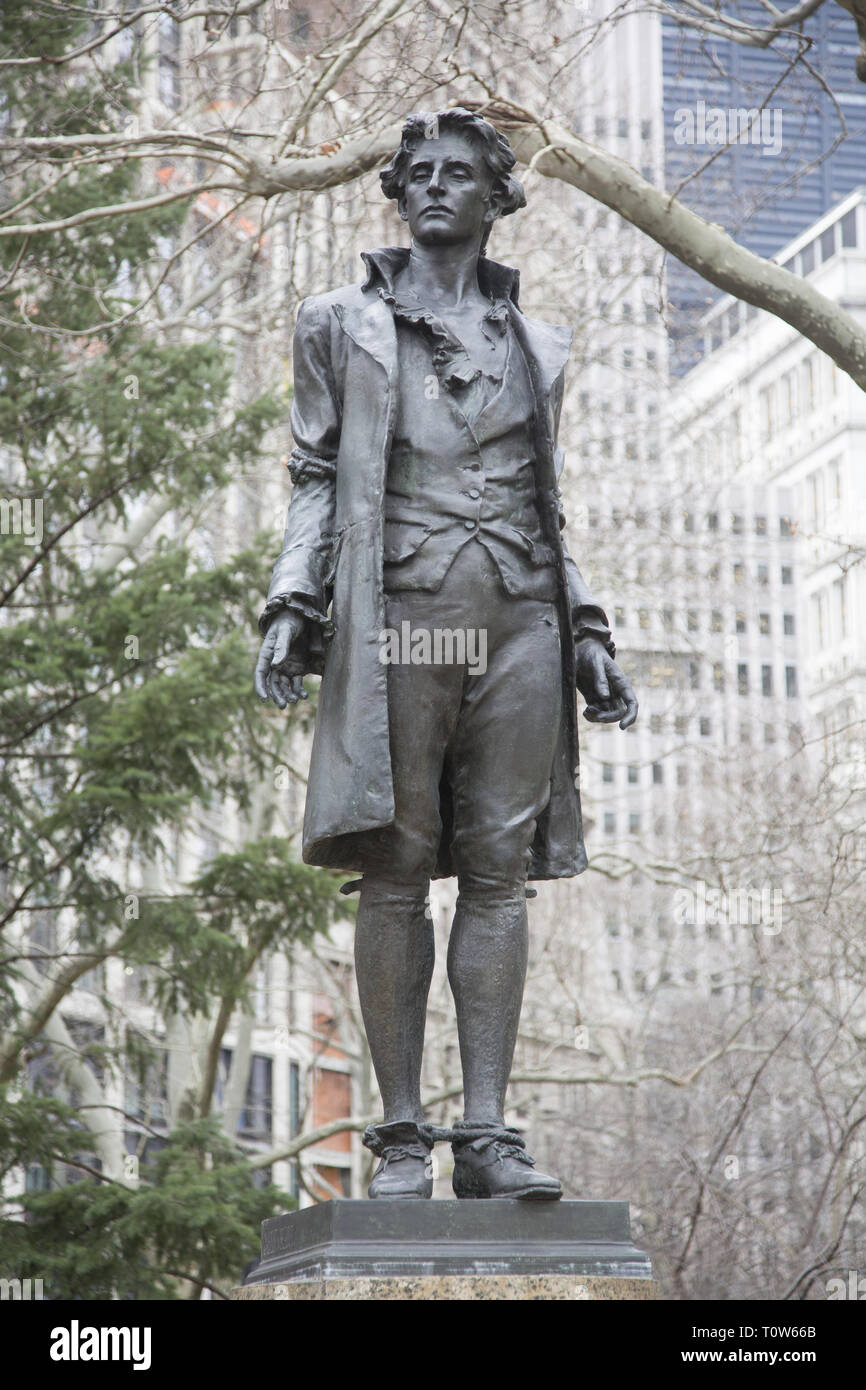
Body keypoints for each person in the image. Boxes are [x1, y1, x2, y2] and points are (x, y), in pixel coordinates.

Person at [255, 108, 637, 1200]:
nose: (430, 185)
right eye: (414, 172)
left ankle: (484, 1134)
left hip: (519, 615)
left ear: (492, 197)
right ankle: (401, 1136)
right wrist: (294, 595)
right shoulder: (337, 323)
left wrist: (587, 630)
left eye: (455, 173)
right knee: (395, 864)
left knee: (498, 873)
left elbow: (546, 504)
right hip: (404, 614)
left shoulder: (539, 344)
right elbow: (316, 475)